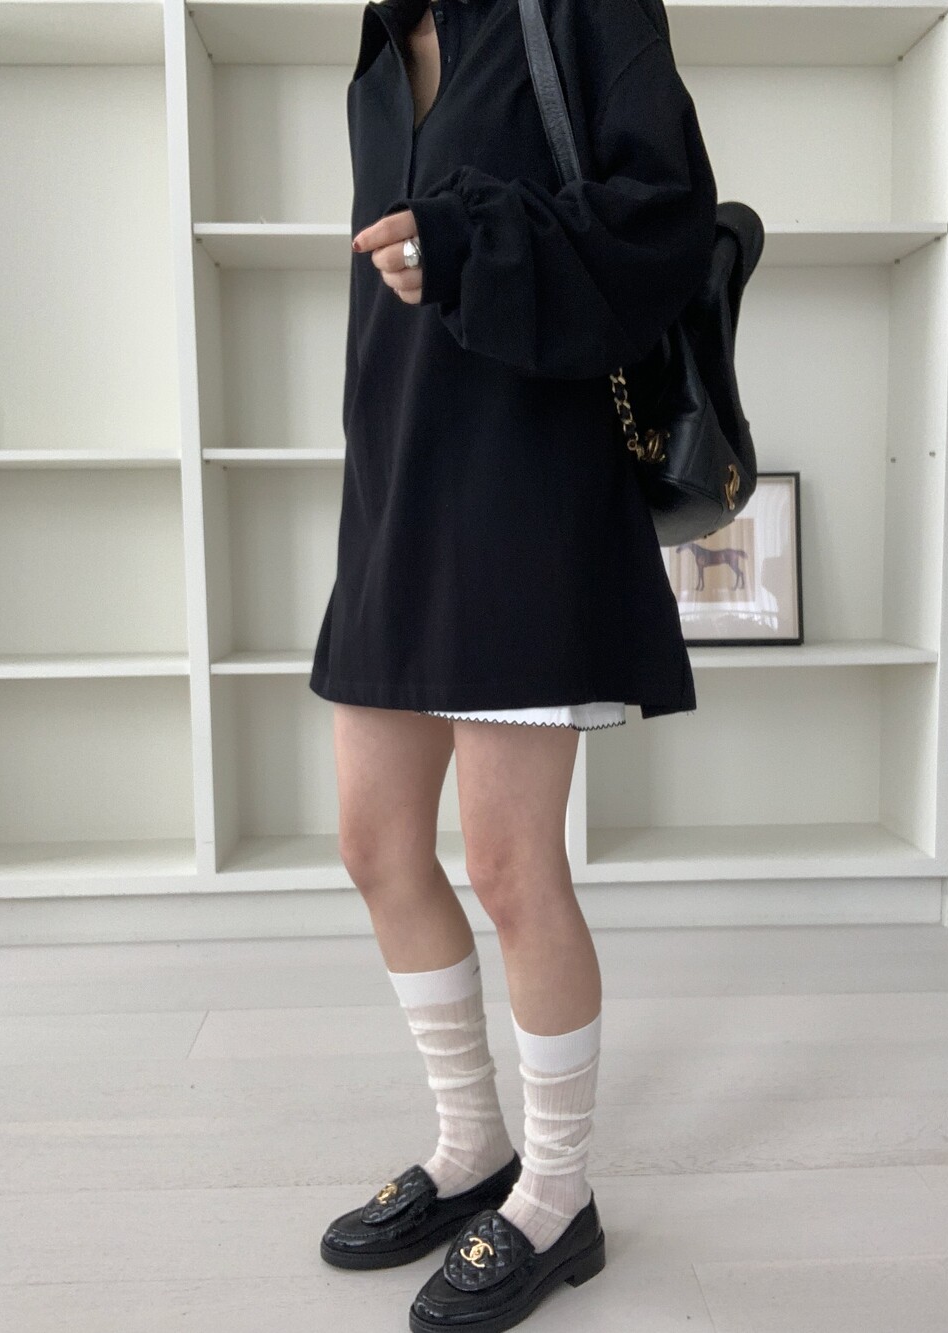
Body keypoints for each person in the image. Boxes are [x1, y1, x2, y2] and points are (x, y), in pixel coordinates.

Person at [313, 0, 717, 1326]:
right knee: (375, 844)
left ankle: (554, 1195)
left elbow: (665, 214)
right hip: (396, 488)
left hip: (528, 482)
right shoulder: (381, 46)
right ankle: (470, 1144)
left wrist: (472, 242)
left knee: (507, 865)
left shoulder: (584, 6)